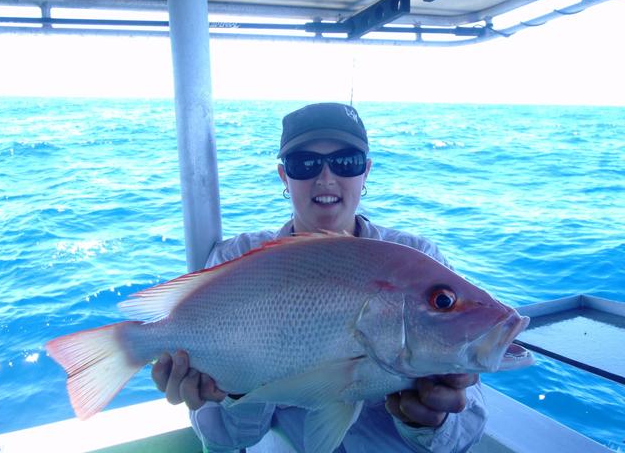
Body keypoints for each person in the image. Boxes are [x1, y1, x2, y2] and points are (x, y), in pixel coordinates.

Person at [151, 103, 487, 452]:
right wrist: (236, 388)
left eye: (346, 162)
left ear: (366, 172)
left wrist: (431, 421)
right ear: (284, 177)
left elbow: (469, 426)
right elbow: (228, 439)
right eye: (305, 164)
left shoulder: (419, 265)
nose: (326, 178)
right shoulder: (234, 262)